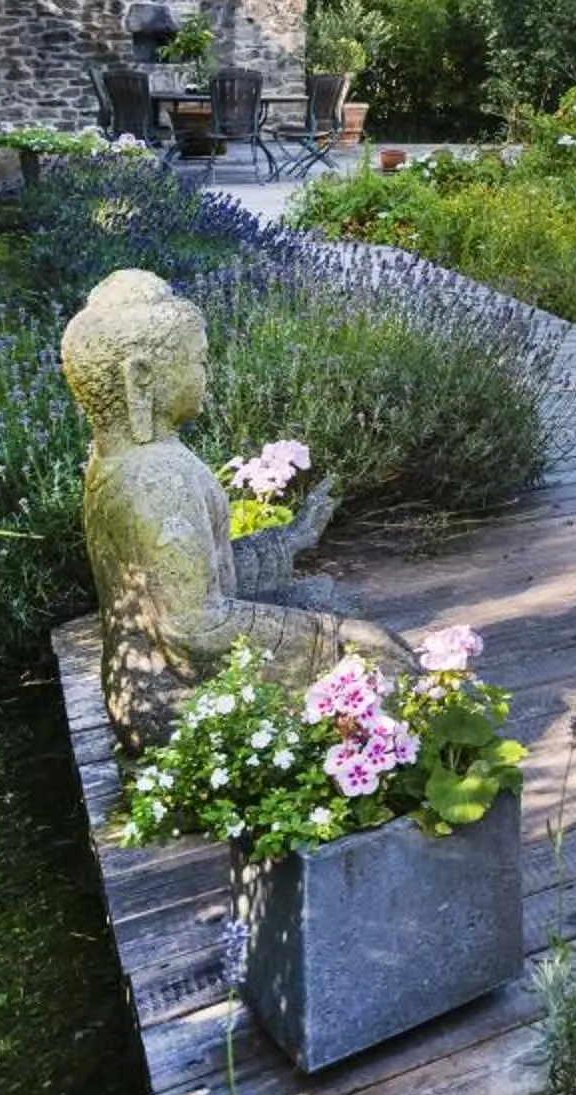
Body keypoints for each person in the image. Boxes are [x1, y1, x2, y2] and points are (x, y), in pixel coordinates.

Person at [62, 269, 414, 750]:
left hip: (151, 676)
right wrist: (329, 640)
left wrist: (286, 540)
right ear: (141, 377)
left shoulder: (121, 460)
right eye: (199, 362)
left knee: (323, 598)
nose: (208, 375)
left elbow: (199, 574)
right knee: (383, 663)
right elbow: (191, 627)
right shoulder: (156, 477)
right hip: (169, 702)